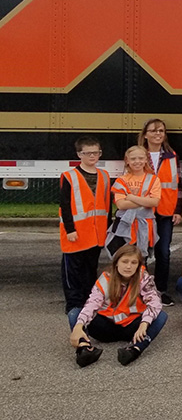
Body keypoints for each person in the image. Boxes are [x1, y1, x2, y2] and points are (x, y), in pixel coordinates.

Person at [69, 244, 167, 367]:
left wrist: (144, 324)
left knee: (161, 316)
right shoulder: (105, 278)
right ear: (116, 263)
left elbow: (154, 302)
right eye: (125, 261)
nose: (128, 266)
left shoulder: (143, 277)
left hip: (132, 328)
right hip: (106, 327)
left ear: (138, 265)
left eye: (133, 262)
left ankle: (135, 349)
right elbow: (92, 304)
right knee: (74, 313)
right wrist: (79, 325)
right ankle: (84, 349)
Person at [60, 136, 112, 328]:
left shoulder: (104, 176)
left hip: (97, 233)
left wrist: (108, 228)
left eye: (96, 152)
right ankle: (73, 303)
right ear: (79, 154)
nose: (92, 156)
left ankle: (89, 301)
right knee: (72, 269)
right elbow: (64, 206)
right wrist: (70, 229)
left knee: (90, 268)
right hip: (76, 233)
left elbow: (107, 205)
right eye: (88, 153)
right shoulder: (69, 176)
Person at [139, 118, 181, 306]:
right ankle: (141, 290)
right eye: (153, 131)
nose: (157, 134)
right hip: (142, 211)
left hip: (165, 211)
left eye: (161, 131)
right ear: (145, 134)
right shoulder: (138, 155)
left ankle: (161, 290)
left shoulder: (172, 156)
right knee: (141, 253)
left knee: (163, 252)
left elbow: (177, 185)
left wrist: (178, 210)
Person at [107, 146, 160, 261]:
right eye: (133, 159)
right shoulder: (121, 180)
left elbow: (155, 202)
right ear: (127, 161)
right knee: (122, 258)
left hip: (144, 225)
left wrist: (130, 197)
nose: (137, 162)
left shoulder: (153, 179)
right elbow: (121, 205)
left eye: (141, 158)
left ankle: (141, 279)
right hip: (124, 225)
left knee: (141, 260)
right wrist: (145, 200)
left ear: (146, 159)